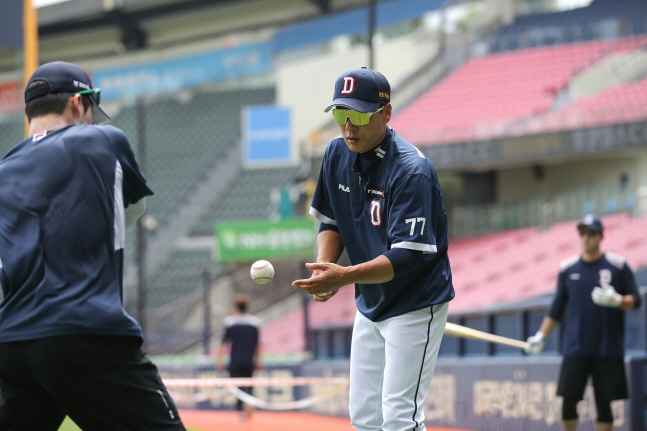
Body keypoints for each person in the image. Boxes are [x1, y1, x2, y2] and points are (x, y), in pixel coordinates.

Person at [0, 61, 185, 431]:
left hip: (11, 344)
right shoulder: (103, 138)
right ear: (76, 103)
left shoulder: (4, 168)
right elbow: (132, 211)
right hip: (82, 331)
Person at [292, 67, 454, 431]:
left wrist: (345, 275)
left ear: (386, 113)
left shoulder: (412, 171)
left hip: (415, 302)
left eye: (360, 115)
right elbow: (330, 221)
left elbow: (408, 255)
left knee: (400, 418)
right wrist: (324, 266)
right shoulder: (336, 154)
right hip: (370, 303)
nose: (349, 126)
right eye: (340, 114)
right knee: (364, 418)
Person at [525, 214, 641, 431]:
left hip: (607, 348)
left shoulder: (618, 265)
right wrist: (541, 336)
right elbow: (556, 308)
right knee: (568, 403)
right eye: (582, 233)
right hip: (576, 348)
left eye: (591, 233)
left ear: (601, 236)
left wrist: (617, 300)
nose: (585, 237)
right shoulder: (568, 269)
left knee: (604, 406)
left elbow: (635, 300)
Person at [217, 294, 261, 422]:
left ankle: (241, 411)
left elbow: (224, 343)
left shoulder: (230, 322)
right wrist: (259, 360)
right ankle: (249, 405)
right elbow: (257, 345)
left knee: (237, 387)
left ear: (236, 308)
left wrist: (219, 360)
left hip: (235, 360)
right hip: (249, 360)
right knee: (250, 385)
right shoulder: (254, 322)